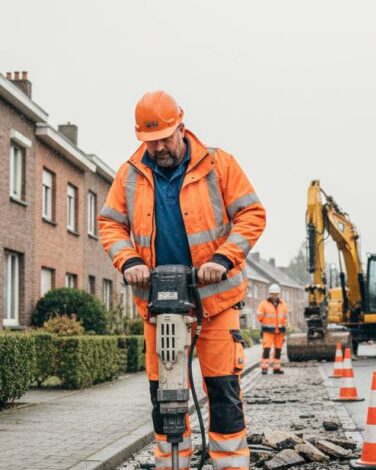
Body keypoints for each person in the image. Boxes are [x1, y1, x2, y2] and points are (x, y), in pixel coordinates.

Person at [98, 90, 265, 470]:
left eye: (164, 138)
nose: (158, 148)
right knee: (164, 395)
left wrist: (223, 258)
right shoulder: (129, 174)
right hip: (158, 305)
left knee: (222, 390)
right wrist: (129, 260)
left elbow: (251, 214)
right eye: (150, 141)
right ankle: (172, 464)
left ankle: (230, 464)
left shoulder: (218, 164)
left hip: (215, 301)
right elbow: (110, 223)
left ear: (181, 127)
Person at [256, 284, 288, 374]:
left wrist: (284, 326)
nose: (274, 295)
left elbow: (285, 317)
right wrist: (265, 323)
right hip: (268, 331)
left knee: (278, 350)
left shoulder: (283, 304)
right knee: (266, 350)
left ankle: (276, 368)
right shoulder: (263, 304)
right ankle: (264, 368)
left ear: (278, 294)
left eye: (276, 294)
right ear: (270, 294)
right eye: (273, 294)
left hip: (280, 331)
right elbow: (259, 316)